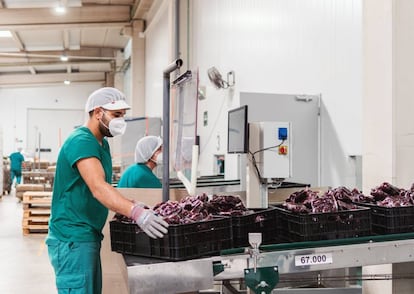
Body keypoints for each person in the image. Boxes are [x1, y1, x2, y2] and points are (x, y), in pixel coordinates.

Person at [45, 87, 168, 294]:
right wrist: (135, 213)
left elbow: (103, 185)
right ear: (98, 112)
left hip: (87, 235)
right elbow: (98, 187)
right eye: (116, 115)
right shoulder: (81, 141)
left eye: (123, 115)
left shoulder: (101, 144)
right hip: (72, 239)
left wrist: (131, 203)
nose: (121, 121)